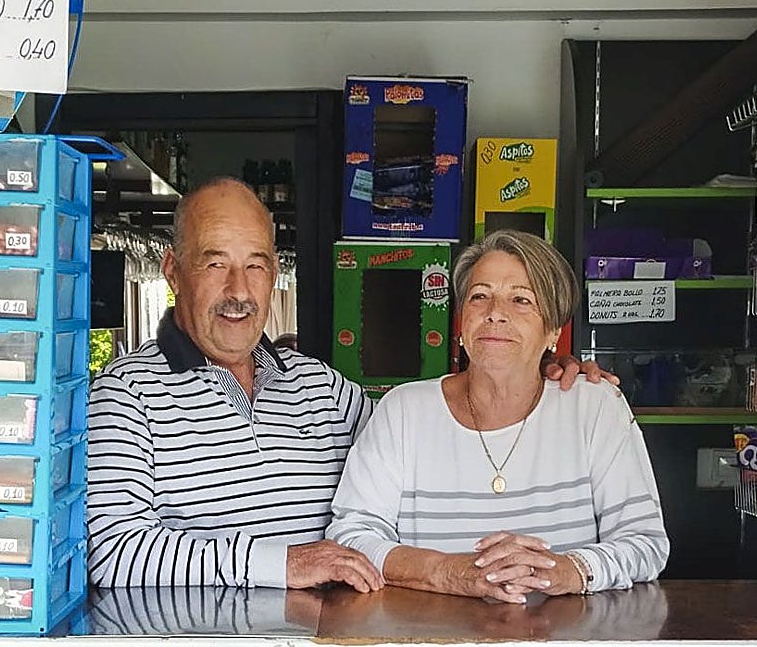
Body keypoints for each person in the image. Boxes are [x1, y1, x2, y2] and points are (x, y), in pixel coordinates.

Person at [87, 179, 615, 590]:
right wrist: (285, 562)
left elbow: (432, 438)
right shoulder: (125, 393)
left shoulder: (321, 387)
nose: (238, 291)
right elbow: (112, 552)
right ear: (174, 272)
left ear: (275, 275)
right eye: (215, 263)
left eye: (256, 266)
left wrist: (531, 373)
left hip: (334, 638)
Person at [326, 229, 668, 602]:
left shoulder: (594, 407)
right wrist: (448, 572)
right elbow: (351, 536)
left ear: (553, 330)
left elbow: (644, 542)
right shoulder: (403, 411)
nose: (494, 314)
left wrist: (567, 570)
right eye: (479, 297)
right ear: (460, 322)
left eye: (521, 300)